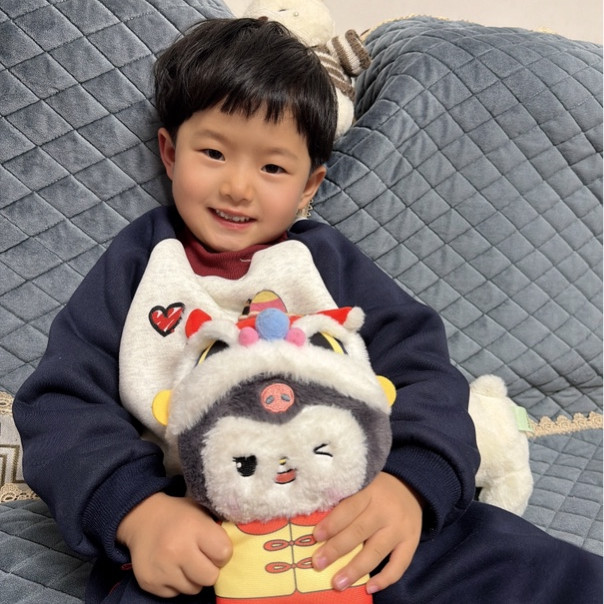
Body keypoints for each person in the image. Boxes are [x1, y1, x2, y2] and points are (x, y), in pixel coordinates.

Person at [13, 17, 602, 604]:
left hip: (356, 518)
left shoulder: (325, 261)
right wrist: (137, 512)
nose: (238, 187)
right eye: (213, 153)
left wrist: (409, 485)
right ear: (170, 153)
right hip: (203, 539)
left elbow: (424, 370)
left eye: (272, 167)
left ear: (309, 185)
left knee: (526, 564)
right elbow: (62, 403)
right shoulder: (139, 264)